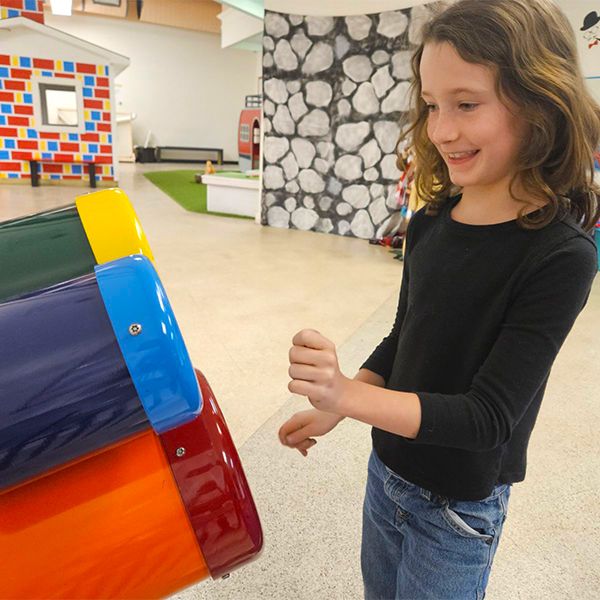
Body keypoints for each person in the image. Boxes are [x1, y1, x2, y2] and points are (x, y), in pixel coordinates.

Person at [278, 1, 600, 598]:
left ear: (539, 101)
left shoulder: (562, 256)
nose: (441, 129)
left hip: (458, 513)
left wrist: (348, 394)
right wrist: (342, 404)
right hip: (387, 476)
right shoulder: (431, 221)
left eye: (466, 103)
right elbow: (406, 334)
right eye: (431, 105)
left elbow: (486, 419)